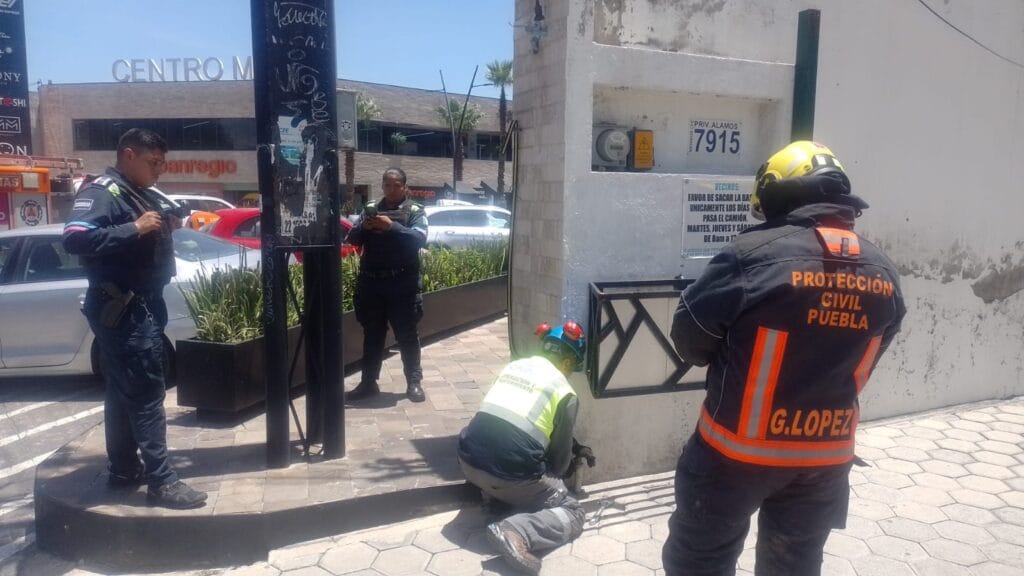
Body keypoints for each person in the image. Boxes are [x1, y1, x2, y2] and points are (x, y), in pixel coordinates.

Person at [662, 141, 906, 575]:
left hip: (733, 456)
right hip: (824, 461)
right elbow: (870, 353)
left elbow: (690, 340)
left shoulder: (750, 256)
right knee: (793, 566)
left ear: (777, 194)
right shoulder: (884, 271)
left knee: (699, 561)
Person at [62, 128, 207, 509]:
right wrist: (135, 228)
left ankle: (124, 469)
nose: (159, 170)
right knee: (145, 394)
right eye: (153, 162)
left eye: (162, 163)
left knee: (121, 392)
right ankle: (162, 481)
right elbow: (75, 238)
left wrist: (164, 225)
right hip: (124, 308)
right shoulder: (102, 191)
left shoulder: (136, 191)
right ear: (129, 155)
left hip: (142, 304)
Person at [458, 321, 592, 575]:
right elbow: (559, 465)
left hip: (467, 462)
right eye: (572, 367)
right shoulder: (565, 392)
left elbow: (507, 422)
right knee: (573, 512)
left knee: (508, 458)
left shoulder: (513, 367)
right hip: (507, 475)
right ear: (566, 363)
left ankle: (496, 505)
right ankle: (516, 530)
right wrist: (568, 465)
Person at [344, 167, 429, 403]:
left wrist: (390, 226)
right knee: (372, 334)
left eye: (396, 185)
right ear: (382, 186)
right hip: (372, 283)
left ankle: (414, 382)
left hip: (402, 283)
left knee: (407, 335)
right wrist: (365, 227)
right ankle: (368, 383)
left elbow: (420, 239)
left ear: (404, 187)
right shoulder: (370, 209)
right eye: (387, 185)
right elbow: (351, 239)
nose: (391, 190)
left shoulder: (414, 210)